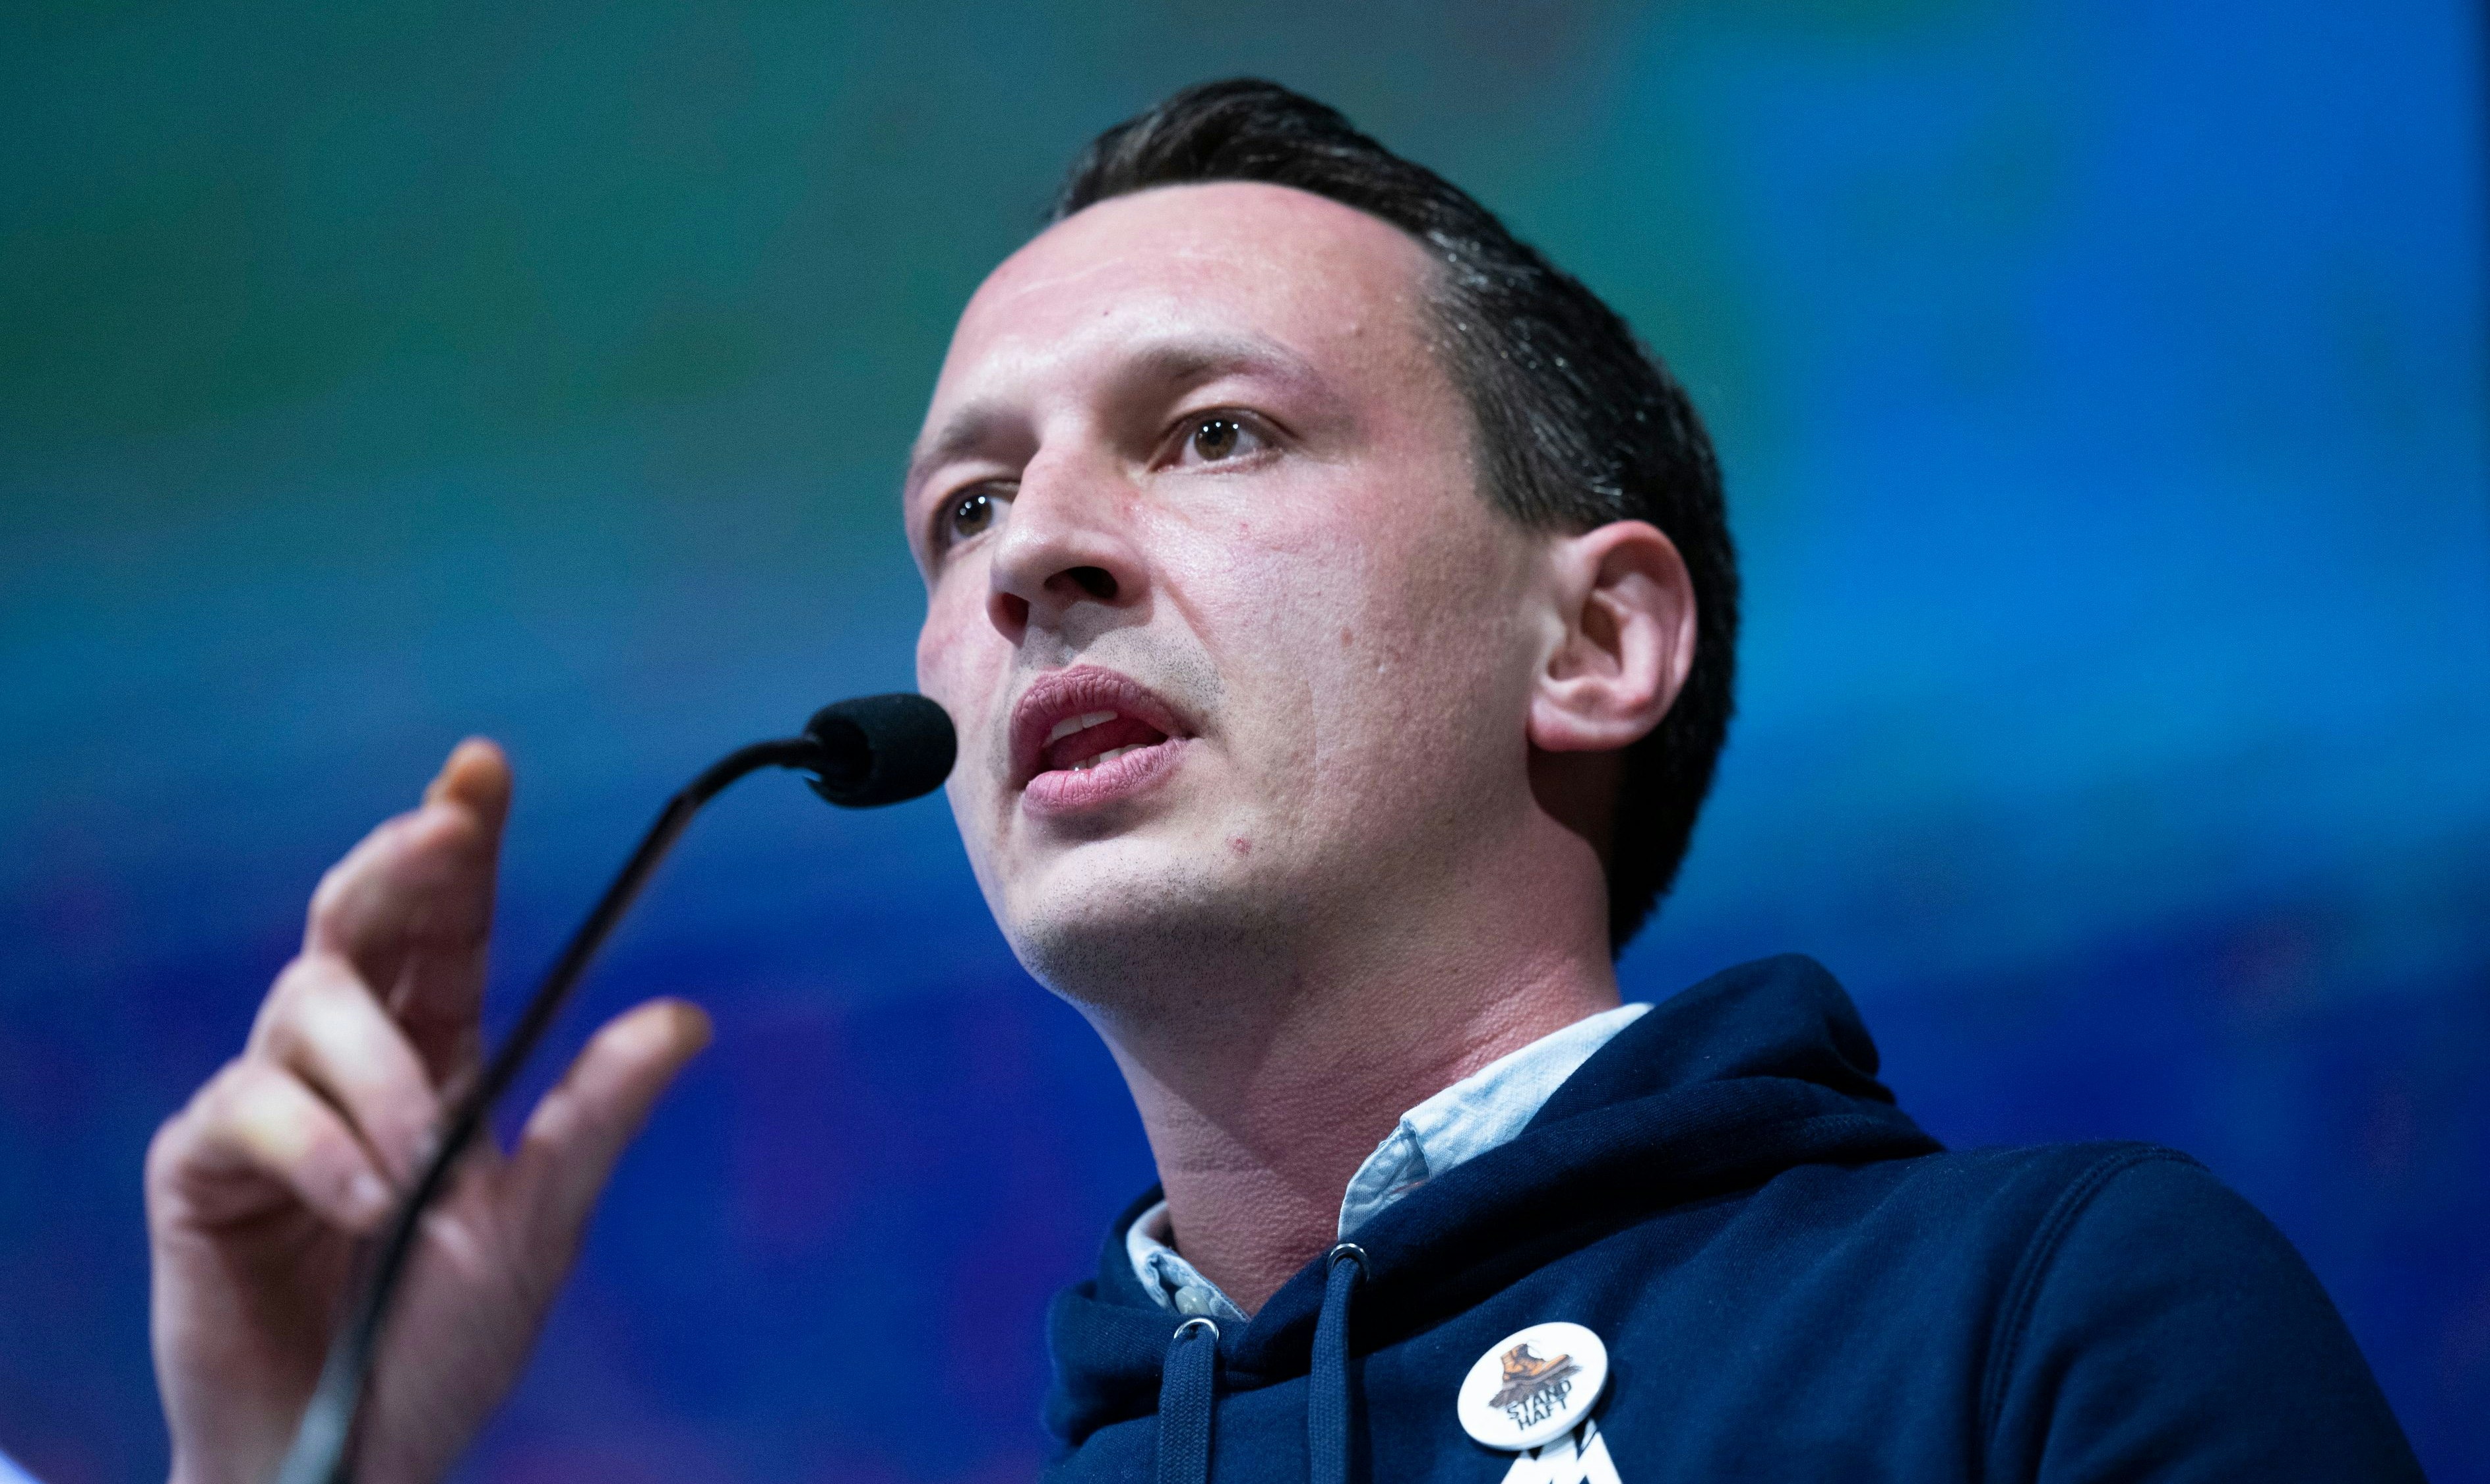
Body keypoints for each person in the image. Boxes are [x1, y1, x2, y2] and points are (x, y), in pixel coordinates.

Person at [144, 80, 2423, 1483]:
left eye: (1212, 431)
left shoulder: (2040, 1326)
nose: (1034, 551)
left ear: (1598, 636)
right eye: (959, 512)